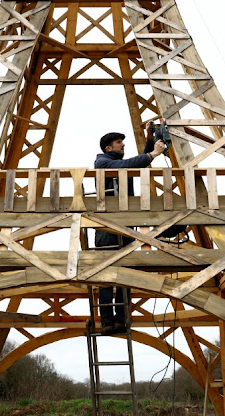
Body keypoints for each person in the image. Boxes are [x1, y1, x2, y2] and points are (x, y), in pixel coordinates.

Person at [93, 124, 165, 335]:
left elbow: (136, 163)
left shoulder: (117, 163)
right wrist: (152, 154)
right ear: (108, 148)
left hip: (123, 227)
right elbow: (131, 163)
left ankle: (120, 320)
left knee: (123, 276)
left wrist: (151, 142)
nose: (123, 144)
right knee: (106, 277)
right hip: (107, 229)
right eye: (119, 142)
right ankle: (107, 321)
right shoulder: (102, 162)